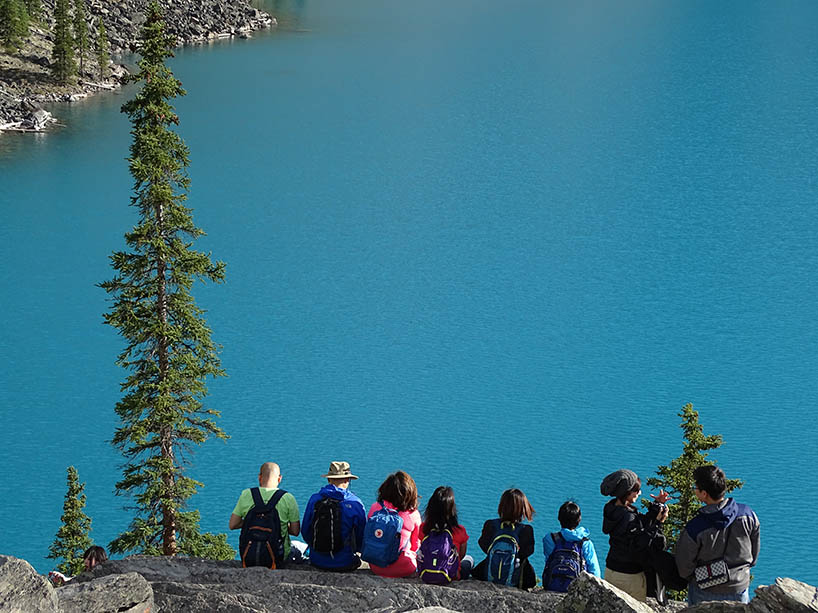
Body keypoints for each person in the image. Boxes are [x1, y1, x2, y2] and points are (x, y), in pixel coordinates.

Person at [675, 465, 760, 605]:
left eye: (696, 487)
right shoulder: (748, 515)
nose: (694, 490)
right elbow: (754, 555)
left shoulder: (695, 527)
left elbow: (684, 568)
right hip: (739, 587)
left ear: (704, 494)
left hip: (704, 589)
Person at [600, 469, 670, 602]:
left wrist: (656, 506)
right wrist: (658, 524)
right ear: (626, 493)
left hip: (611, 570)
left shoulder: (611, 509)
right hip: (629, 575)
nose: (639, 493)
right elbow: (641, 544)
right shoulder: (628, 517)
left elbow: (638, 525)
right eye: (636, 490)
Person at [229, 462, 305, 567]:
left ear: (259, 477)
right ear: (279, 479)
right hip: (278, 557)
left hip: (249, 556)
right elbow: (295, 531)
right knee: (299, 549)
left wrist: (251, 522)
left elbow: (232, 525)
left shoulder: (246, 494)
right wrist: (279, 525)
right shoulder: (288, 498)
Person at [301, 461, 367, 571]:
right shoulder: (356, 503)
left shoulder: (314, 499)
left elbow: (305, 530)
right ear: (348, 480)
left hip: (316, 561)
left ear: (329, 479)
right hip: (344, 562)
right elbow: (361, 536)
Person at [472, 488, 537, 589]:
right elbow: (528, 551)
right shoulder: (526, 530)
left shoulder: (490, 524)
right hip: (517, 573)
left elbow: (483, 544)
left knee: (474, 572)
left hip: (488, 572)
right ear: (523, 508)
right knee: (531, 581)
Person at [365, 470, 422, 578]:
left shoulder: (375, 508)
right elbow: (415, 545)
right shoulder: (413, 515)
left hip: (376, 565)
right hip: (404, 568)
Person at [542, 501, 601, 590]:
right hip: (576, 590)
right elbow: (594, 571)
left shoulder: (550, 539)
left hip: (552, 586)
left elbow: (548, 560)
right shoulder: (585, 543)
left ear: (559, 518)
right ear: (579, 520)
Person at [419, 485, 473, 580]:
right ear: (452, 510)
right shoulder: (460, 531)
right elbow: (461, 555)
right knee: (469, 559)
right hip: (451, 575)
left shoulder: (423, 528)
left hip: (426, 573)